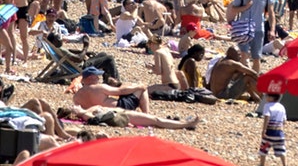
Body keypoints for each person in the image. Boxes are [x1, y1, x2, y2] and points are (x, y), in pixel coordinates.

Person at [228, 0, 274, 74]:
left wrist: (272, 29)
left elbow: (271, 13)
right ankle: (241, 78)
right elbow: (233, 9)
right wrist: (246, 7)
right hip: (244, 28)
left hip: (258, 29)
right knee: (244, 55)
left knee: (256, 57)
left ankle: (254, 79)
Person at [73, 66, 150, 114]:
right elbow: (120, 91)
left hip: (97, 114)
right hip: (120, 108)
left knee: (130, 86)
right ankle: (147, 114)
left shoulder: (76, 96)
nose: (98, 78)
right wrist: (139, 87)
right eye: (96, 76)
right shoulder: (99, 87)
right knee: (142, 89)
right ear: (91, 77)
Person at [57, 105, 200, 130]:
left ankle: (182, 123)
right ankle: (186, 124)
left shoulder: (87, 111)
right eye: (72, 107)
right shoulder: (85, 114)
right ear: (72, 112)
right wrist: (80, 112)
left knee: (155, 120)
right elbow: (94, 120)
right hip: (125, 116)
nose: (74, 105)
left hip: (124, 114)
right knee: (155, 120)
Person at [256, 93, 288, 166]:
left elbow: (267, 117)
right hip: (279, 133)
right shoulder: (281, 107)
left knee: (263, 149)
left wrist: (264, 130)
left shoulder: (267, 106)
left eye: (267, 96)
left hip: (269, 133)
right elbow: (284, 121)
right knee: (281, 150)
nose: (266, 97)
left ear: (272, 97)